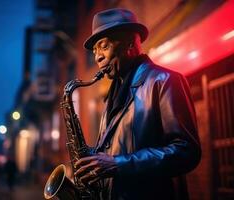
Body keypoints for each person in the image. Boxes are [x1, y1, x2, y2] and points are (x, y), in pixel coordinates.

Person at [74, 8, 201, 200]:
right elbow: (116, 149)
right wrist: (92, 160)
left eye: (104, 46)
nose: (98, 57)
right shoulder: (111, 96)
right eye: (95, 51)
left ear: (130, 44)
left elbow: (186, 152)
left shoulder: (164, 80)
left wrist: (119, 164)